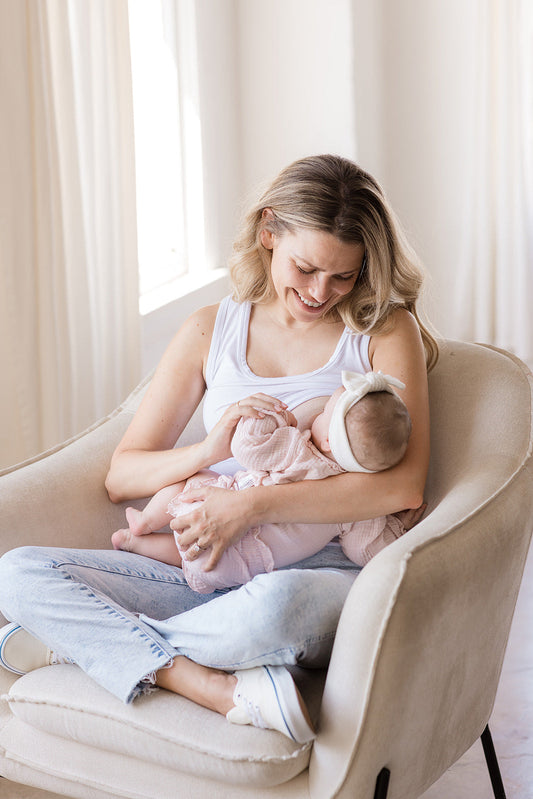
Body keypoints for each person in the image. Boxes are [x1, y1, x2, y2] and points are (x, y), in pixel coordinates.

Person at [0, 154, 437, 744]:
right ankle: (203, 682)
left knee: (273, 610)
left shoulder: (382, 331)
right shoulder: (212, 330)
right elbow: (123, 476)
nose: (320, 292)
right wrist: (208, 450)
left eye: (344, 276)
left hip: (319, 572)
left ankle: (82, 644)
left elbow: (401, 486)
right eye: (306, 268)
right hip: (200, 569)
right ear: (268, 231)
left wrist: (250, 508)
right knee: (18, 573)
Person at [112, 370, 422, 592]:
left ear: (327, 440)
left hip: (214, 515)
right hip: (241, 568)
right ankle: (136, 543)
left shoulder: (298, 450)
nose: (319, 411)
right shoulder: (355, 506)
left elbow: (247, 448)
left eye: (325, 410)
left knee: (195, 480)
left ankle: (145, 523)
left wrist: (273, 419)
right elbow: (365, 550)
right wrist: (397, 529)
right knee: (193, 557)